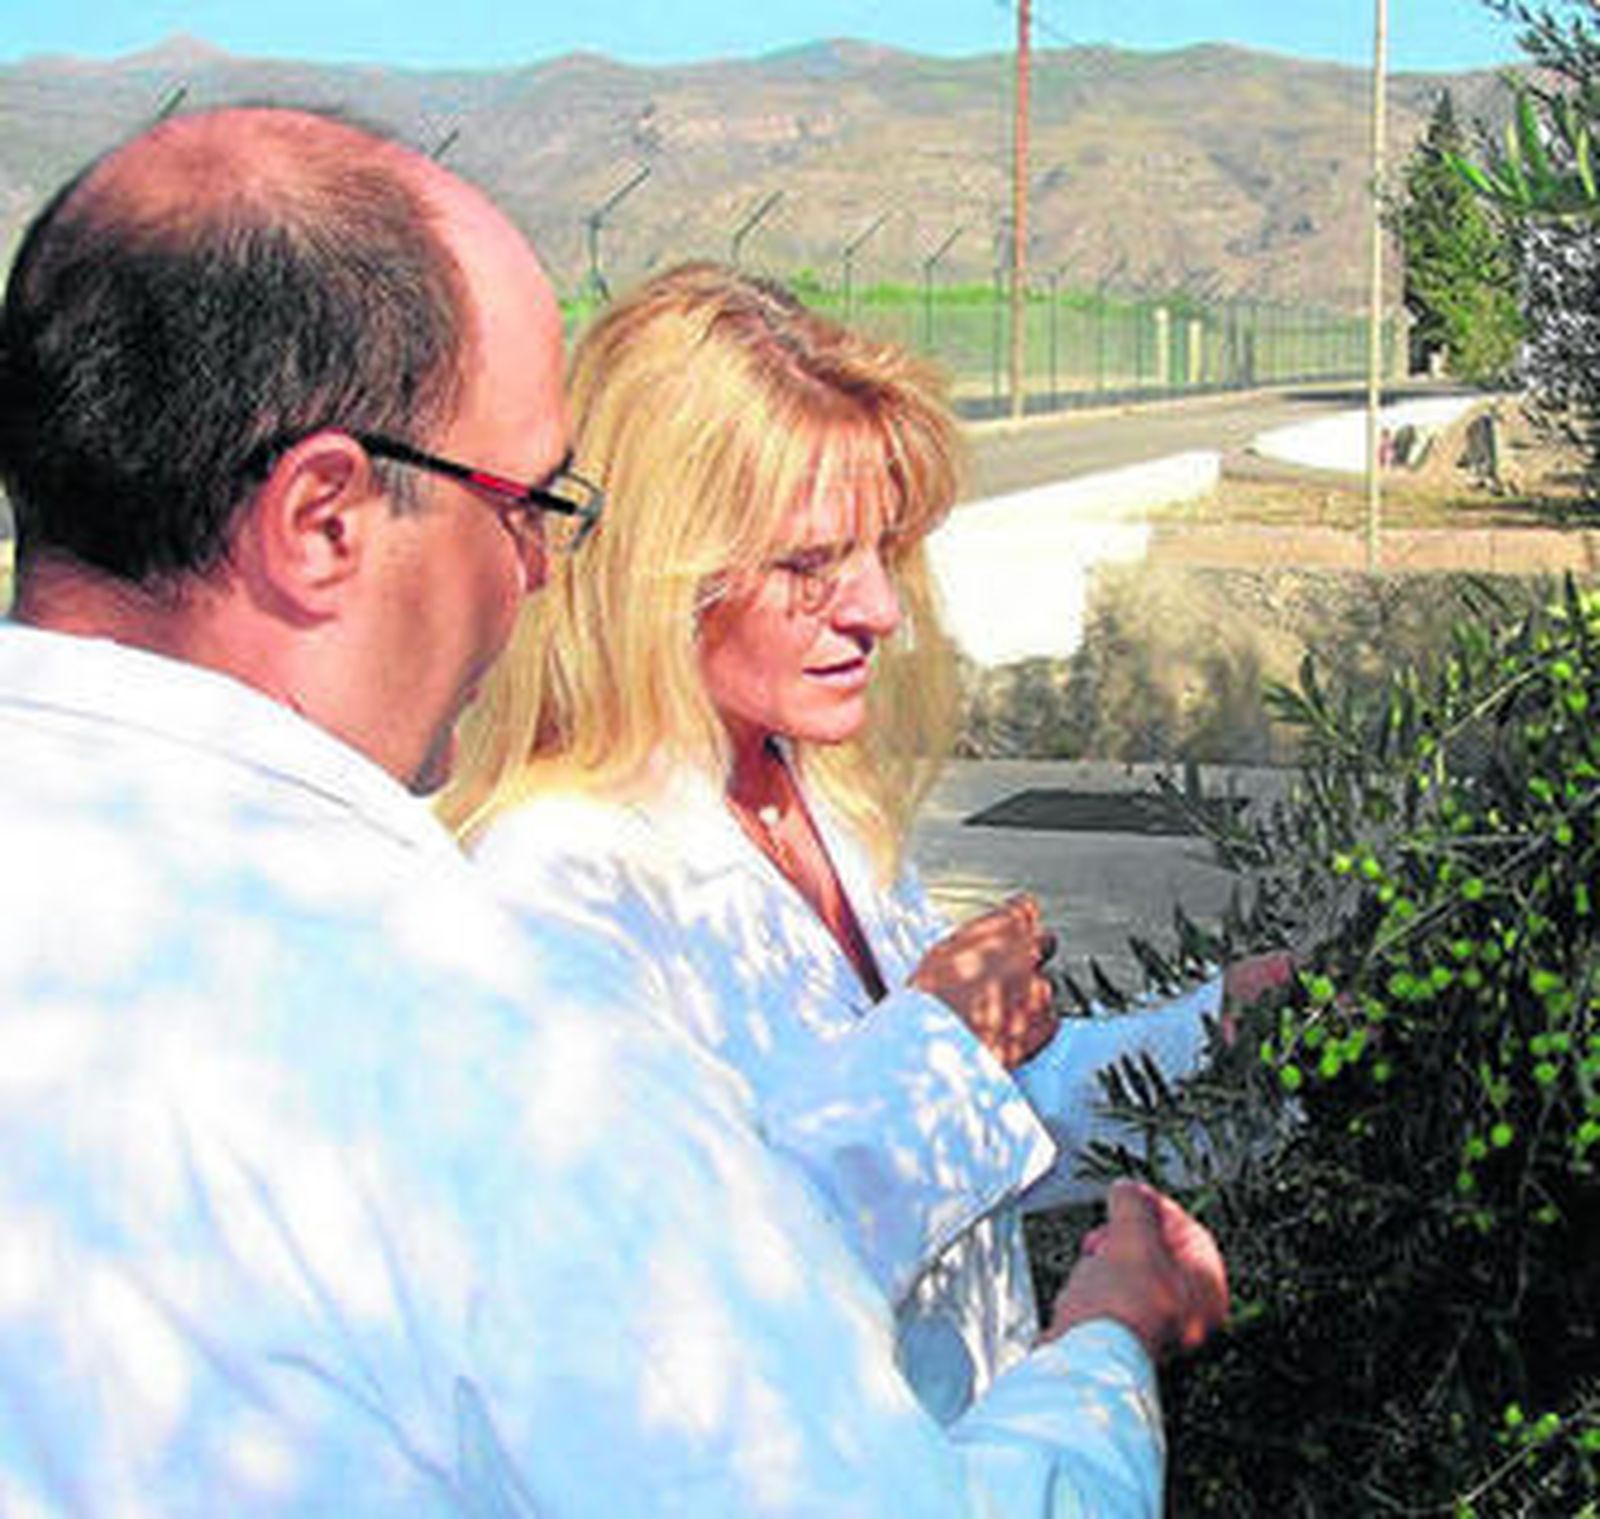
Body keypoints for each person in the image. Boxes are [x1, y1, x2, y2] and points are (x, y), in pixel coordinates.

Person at [0, 108, 1226, 1515]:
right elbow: (744, 1329)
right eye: (528, 501)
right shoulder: (511, 997)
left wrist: (1213, 1042)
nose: (539, 568)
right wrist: (1104, 1347)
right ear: (323, 517)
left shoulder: (792, 811)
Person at [451, 262, 1272, 1425]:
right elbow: (669, 1305)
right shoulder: (559, 886)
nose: (878, 609)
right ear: (653, 573)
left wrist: (1221, 1040)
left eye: (884, 549)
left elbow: (997, 1120)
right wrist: (943, 1042)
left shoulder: (815, 803)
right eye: (808, 564)